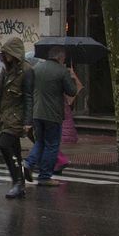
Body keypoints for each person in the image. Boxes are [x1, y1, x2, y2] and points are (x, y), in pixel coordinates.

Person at [0, 35, 32, 198]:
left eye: (8, 53)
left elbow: (28, 97)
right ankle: (19, 179)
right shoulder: (6, 70)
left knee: (6, 144)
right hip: (4, 113)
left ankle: (18, 181)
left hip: (16, 114)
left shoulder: (26, 71)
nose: (6, 57)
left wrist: (27, 121)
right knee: (13, 149)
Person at [25, 47, 77, 185]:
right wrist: (72, 78)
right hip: (53, 114)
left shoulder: (36, 69)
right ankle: (45, 176)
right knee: (52, 145)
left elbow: (29, 91)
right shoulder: (61, 71)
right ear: (60, 58)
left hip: (37, 112)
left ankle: (29, 163)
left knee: (40, 142)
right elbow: (71, 92)